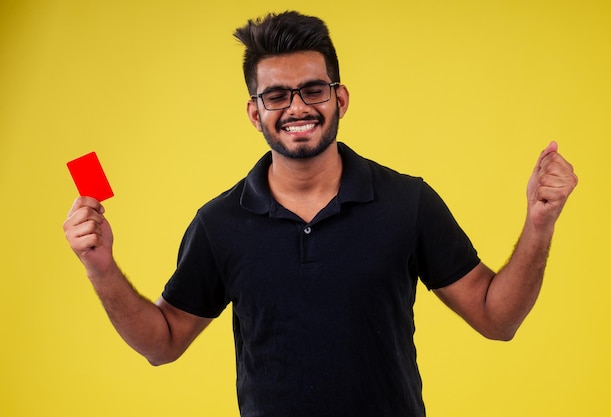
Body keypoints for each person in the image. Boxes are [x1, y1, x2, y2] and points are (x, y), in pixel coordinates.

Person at [63, 11, 578, 417]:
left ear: (340, 98)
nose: (297, 107)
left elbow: (497, 318)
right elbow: (164, 343)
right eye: (276, 96)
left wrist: (539, 224)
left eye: (313, 89)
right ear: (254, 113)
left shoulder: (407, 203)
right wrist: (101, 268)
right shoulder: (219, 224)